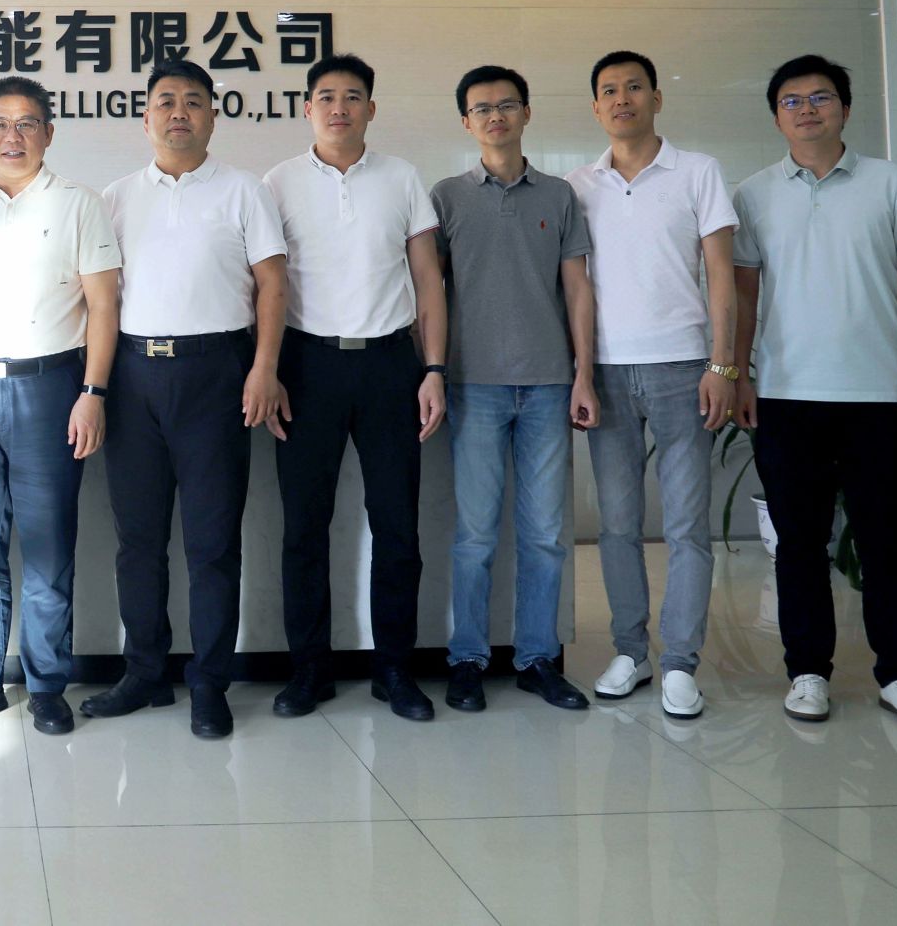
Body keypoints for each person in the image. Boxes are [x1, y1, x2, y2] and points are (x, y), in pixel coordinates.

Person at [732, 54, 897, 734]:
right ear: (776, 118)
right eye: (792, 101)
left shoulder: (890, 182)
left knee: (885, 540)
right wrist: (738, 374)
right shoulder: (754, 194)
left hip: (879, 393)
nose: (807, 109)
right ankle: (808, 673)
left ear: (845, 109)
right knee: (798, 544)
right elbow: (744, 293)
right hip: (786, 395)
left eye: (821, 97)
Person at [84, 57, 288, 740]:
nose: (179, 112)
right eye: (166, 101)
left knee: (212, 542)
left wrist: (263, 368)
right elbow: (100, 300)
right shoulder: (114, 197)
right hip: (134, 378)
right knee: (138, 541)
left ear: (212, 116)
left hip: (217, 376)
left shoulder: (244, 191)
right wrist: (96, 387)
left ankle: (208, 682)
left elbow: (273, 285)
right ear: (145, 118)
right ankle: (144, 672)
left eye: (193, 101)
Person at [0, 76, 120, 736]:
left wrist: (93, 393)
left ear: (49, 133)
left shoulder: (79, 204)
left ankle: (46, 686)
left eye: (27, 123)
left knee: (47, 546)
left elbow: (104, 307)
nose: (12, 136)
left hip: (51, 389)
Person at [266, 53, 446, 723]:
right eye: (325, 96)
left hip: (389, 365)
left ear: (371, 108)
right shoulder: (278, 182)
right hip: (305, 367)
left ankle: (394, 669)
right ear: (306, 108)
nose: (338, 107)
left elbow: (428, 280)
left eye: (351, 96)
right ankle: (308, 670)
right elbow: (265, 285)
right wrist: (268, 369)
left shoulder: (402, 178)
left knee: (397, 524)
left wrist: (434, 369)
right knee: (303, 527)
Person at [567, 50, 738, 720]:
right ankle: (631, 652)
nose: (622, 99)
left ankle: (682, 663)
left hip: (683, 368)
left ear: (656, 98)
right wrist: (582, 371)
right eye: (609, 90)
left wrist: (722, 365)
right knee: (617, 524)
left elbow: (721, 275)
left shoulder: (698, 171)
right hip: (607, 372)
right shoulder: (579, 185)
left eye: (634, 87)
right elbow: (576, 287)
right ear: (595, 107)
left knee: (688, 524)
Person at [430, 65, 599, 714]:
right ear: (465, 122)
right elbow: (429, 294)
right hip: (473, 386)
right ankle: (468, 659)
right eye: (482, 108)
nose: (495, 116)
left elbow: (578, 289)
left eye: (507, 105)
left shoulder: (558, 196)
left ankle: (537, 659)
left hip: (549, 386)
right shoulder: (446, 197)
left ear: (527, 113)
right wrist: (432, 371)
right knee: (474, 536)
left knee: (546, 535)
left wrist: (584, 373)